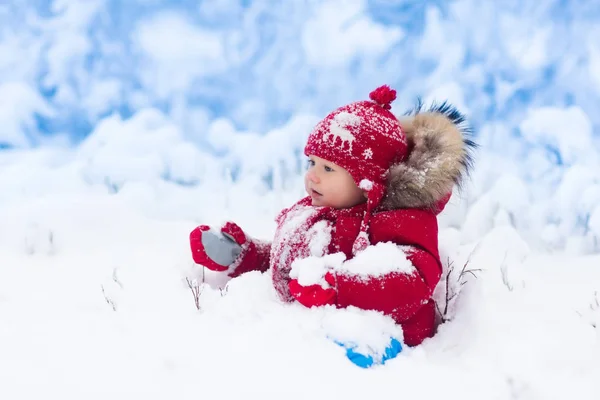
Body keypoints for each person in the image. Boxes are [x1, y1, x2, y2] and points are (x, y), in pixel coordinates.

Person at [189, 85, 475, 366]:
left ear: (367, 180)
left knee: (342, 346)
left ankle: (356, 373)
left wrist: (340, 287)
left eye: (328, 169)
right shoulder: (316, 212)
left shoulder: (399, 219)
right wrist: (248, 255)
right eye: (312, 162)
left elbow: (413, 281)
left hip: (384, 333)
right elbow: (293, 267)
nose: (312, 176)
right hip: (311, 324)